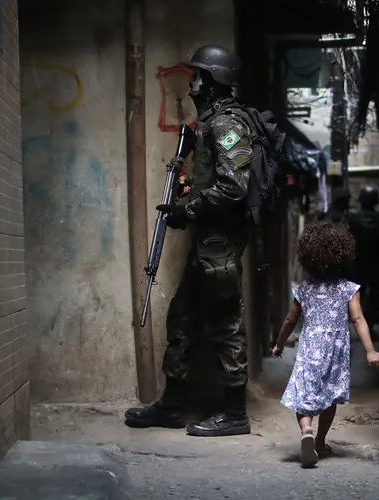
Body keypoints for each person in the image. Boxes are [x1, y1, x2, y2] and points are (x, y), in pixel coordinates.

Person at [124, 45, 256, 437]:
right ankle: (173, 404)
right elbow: (216, 178)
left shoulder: (227, 125)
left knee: (226, 323)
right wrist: (189, 184)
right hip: (207, 243)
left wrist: (191, 210)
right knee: (181, 318)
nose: (192, 84)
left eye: (198, 76)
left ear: (213, 81)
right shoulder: (210, 122)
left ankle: (235, 414)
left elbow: (235, 186)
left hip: (221, 242)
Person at [272, 220, 379, 468]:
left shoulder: (304, 290)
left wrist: (279, 345)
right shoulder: (348, 289)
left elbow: (290, 320)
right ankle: (320, 440)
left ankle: (306, 431)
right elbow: (357, 319)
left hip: (310, 347)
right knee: (330, 396)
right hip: (336, 350)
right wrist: (369, 350)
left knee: (305, 394)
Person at [346, 185, 379, 337]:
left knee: (359, 294)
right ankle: (370, 324)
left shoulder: (352, 219)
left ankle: (360, 322)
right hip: (375, 262)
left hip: (358, 263)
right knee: (374, 294)